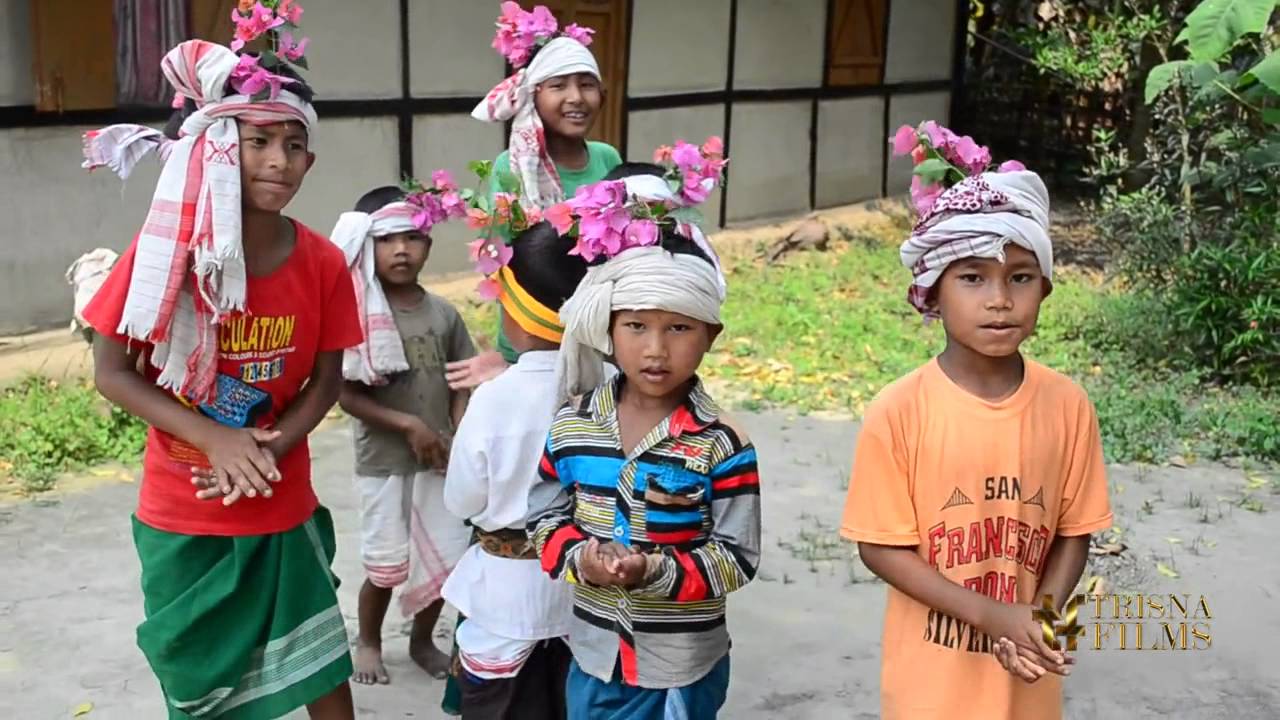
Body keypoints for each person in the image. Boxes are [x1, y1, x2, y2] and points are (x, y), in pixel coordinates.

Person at [83, 25, 362, 720]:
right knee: (197, 682)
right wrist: (213, 439)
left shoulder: (324, 263)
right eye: (256, 141)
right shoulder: (160, 256)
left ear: (312, 160)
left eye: (294, 145)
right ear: (213, 151)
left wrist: (275, 446)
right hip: (183, 509)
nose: (278, 160)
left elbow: (326, 381)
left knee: (321, 663)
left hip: (279, 494)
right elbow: (112, 372)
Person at [839, 169, 1114, 720]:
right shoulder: (899, 411)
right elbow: (879, 548)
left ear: (1046, 288)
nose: (999, 300)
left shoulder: (1068, 405)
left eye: (1020, 278)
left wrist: (1043, 618)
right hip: (929, 689)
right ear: (933, 291)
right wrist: (992, 616)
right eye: (972, 278)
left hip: (1028, 675)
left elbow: (1074, 531)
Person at [527, 167, 758, 720]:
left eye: (679, 329)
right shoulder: (573, 426)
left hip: (680, 664)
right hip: (593, 653)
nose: (655, 349)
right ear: (608, 331)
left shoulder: (722, 443)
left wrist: (655, 570)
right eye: (635, 327)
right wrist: (582, 555)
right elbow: (543, 517)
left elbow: (738, 556)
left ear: (711, 336)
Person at [440, 220, 591, 719]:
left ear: (517, 317)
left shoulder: (494, 400)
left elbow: (461, 501)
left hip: (504, 596)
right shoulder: (612, 388)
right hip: (587, 589)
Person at [329, 185, 476, 685]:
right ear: (367, 247)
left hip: (439, 459)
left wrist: (453, 429)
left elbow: (461, 377)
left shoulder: (443, 313)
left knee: (442, 555)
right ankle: (368, 639)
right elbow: (346, 395)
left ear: (429, 247)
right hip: (385, 461)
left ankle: (421, 640)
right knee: (384, 561)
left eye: (412, 238)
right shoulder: (359, 314)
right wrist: (410, 425)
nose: (400, 250)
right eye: (387, 240)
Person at [448, 3, 622, 389]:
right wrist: (510, 355)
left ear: (603, 94)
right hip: (535, 338)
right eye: (559, 86)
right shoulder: (510, 168)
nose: (576, 97)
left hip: (601, 335)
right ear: (533, 96)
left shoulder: (608, 159)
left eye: (586, 84)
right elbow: (504, 264)